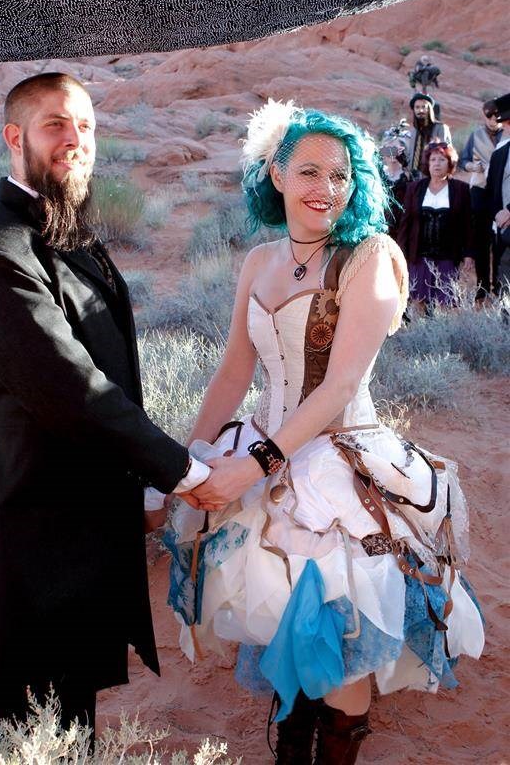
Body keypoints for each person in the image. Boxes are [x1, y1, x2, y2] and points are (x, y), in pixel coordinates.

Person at [165, 101, 484, 764]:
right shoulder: (258, 261)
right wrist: (189, 459)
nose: (325, 189)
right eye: (307, 171)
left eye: (340, 175)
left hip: (341, 469)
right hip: (263, 456)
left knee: (343, 650)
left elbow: (339, 387)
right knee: (286, 630)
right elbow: (232, 371)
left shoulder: (371, 255)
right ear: (273, 175)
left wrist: (252, 465)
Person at [0, 73, 210, 736]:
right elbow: (71, 388)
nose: (76, 139)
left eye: (86, 126)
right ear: (13, 137)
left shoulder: (66, 228)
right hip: (42, 517)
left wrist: (142, 487)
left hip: (90, 505)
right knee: (29, 714)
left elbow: (110, 369)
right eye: (57, 124)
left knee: (74, 710)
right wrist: (179, 472)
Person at [397, 141, 475, 307]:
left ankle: (442, 333)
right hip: (418, 256)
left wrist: (468, 253)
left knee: (446, 302)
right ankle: (418, 334)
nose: (437, 164)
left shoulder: (461, 189)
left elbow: (467, 225)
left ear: (450, 163)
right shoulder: (414, 188)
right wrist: (400, 253)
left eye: (442, 160)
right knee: (418, 302)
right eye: (433, 160)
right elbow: (406, 224)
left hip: (448, 256)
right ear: (428, 163)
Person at [458, 99, 503, 298]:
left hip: (501, 191)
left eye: (496, 115)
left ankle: (500, 287)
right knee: (482, 240)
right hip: (480, 189)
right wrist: (472, 167)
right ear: (484, 115)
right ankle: (482, 289)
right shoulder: (476, 135)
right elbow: (463, 160)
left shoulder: (507, 135)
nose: (493, 120)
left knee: (501, 240)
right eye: (489, 116)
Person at [484, 92, 510, 293]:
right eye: (506, 122)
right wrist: (497, 213)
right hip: (502, 231)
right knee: (503, 288)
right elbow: (491, 192)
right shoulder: (499, 153)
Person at [379, 120, 412, 241]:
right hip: (378, 229)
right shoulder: (379, 173)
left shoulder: (409, 177)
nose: (393, 154)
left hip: (402, 232)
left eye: (396, 150)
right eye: (389, 150)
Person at [406, 93, 451, 178]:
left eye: (424, 107)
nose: (421, 111)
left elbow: (447, 155)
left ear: (429, 109)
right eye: (417, 107)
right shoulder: (413, 131)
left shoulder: (440, 128)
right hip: (414, 179)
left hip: (433, 178)